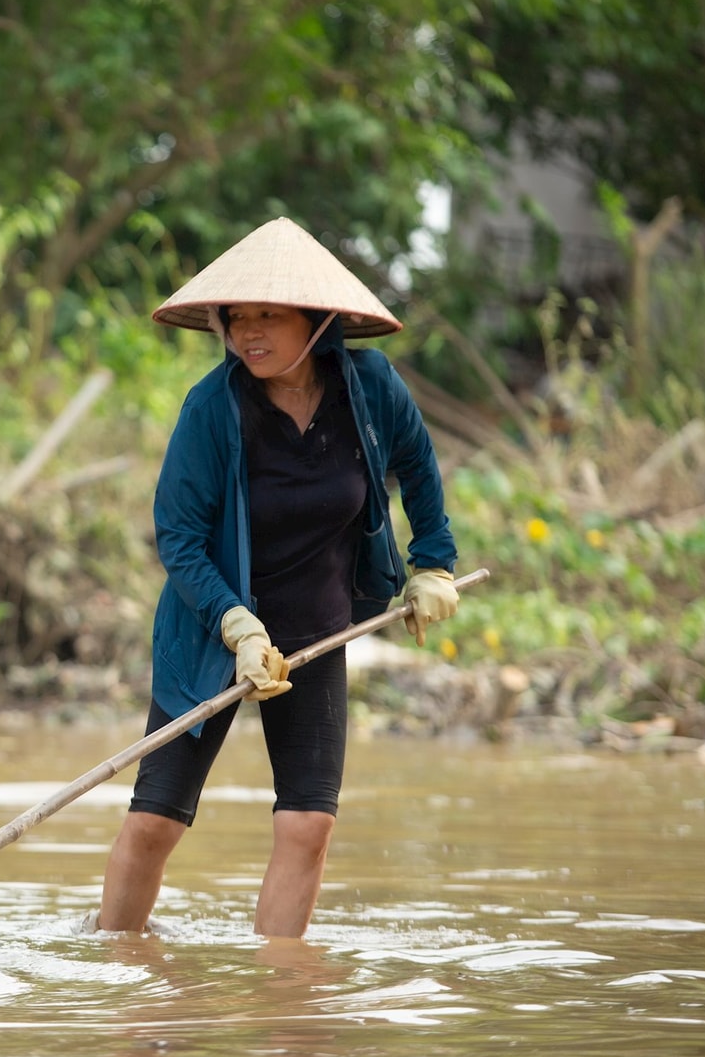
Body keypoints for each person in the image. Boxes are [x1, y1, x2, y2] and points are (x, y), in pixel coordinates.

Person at [97, 218, 459, 938]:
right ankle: (116, 963)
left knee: (308, 823)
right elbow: (180, 535)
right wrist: (237, 624)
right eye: (237, 317)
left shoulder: (371, 389)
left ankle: (281, 997)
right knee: (156, 823)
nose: (248, 332)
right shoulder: (212, 408)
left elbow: (416, 467)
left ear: (318, 321)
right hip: (212, 633)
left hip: (318, 630)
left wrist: (433, 563)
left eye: (269, 315)